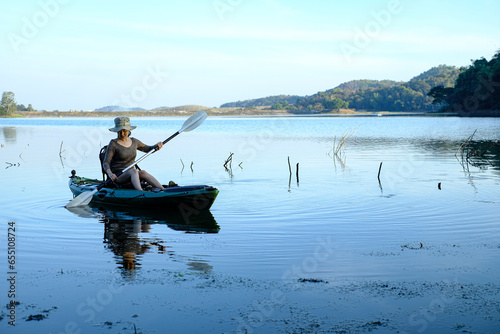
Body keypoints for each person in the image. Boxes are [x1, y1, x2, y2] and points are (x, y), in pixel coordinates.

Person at [102, 117, 165, 191]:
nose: (122, 134)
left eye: (124, 131)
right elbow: (106, 162)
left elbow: (148, 149)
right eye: (119, 131)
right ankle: (140, 191)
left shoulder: (134, 141)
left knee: (142, 172)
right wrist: (110, 174)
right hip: (118, 176)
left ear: (129, 130)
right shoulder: (113, 143)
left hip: (133, 175)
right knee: (134, 171)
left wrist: (156, 146)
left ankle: (163, 190)